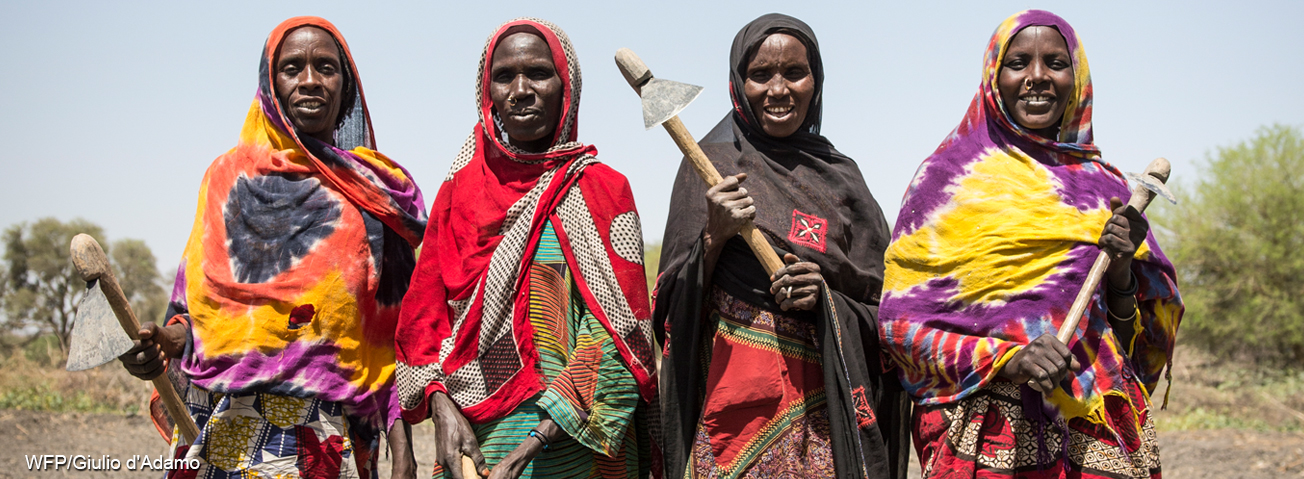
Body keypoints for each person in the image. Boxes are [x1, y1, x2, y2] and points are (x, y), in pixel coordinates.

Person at [877, 10, 1184, 479]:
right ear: (993, 77)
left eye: (1055, 63)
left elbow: (1131, 350)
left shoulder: (1107, 191)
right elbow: (900, 328)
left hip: (1094, 431)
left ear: (1076, 78)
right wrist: (1009, 359)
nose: (1037, 77)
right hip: (985, 439)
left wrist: (1120, 271)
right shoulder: (945, 183)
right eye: (1019, 62)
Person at [116, 16, 426, 478]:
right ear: (269, 84)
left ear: (346, 87)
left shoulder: (374, 194)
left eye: (326, 67)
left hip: (321, 436)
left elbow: (392, 338)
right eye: (292, 68)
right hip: (220, 426)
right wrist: (164, 342)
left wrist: (403, 449)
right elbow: (195, 315)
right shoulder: (227, 180)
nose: (309, 81)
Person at [393, 18, 659, 479]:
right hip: (476, 445)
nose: (520, 89)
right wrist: (440, 403)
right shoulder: (459, 193)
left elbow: (619, 335)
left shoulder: (600, 190)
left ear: (566, 84)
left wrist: (530, 445)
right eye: (504, 76)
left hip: (582, 446)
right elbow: (424, 321)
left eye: (538, 73)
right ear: (487, 92)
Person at [655, 13, 911, 479]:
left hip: (827, 421)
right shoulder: (709, 166)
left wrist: (828, 301)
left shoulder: (842, 179)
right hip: (734, 418)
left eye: (794, 73)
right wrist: (714, 237)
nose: (778, 90)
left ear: (816, 81)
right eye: (760, 75)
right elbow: (669, 308)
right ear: (738, 83)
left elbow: (890, 310)